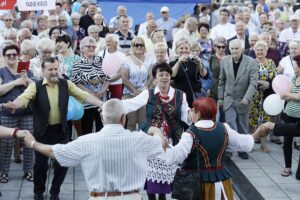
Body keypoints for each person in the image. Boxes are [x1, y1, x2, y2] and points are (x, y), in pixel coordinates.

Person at [21, 98, 165, 200]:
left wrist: (33, 143)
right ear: (123, 118)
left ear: (102, 118)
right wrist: (155, 130)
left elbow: (54, 151)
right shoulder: (140, 139)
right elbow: (161, 144)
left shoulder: (86, 141)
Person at [5, 57, 103, 200]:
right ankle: (38, 192)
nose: (53, 72)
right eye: (50, 69)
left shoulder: (66, 84)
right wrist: (15, 104)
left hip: (61, 131)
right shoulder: (35, 86)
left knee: (62, 165)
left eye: (56, 69)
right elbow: (24, 98)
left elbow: (85, 96)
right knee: (40, 166)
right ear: (43, 71)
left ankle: (54, 192)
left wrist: (102, 104)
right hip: (42, 132)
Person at [165, 97, 268, 200]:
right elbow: (242, 143)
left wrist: (161, 140)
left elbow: (175, 157)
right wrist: (257, 134)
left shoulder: (190, 134)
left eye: (192, 109)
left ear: (199, 114)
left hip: (197, 185)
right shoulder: (224, 128)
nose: (190, 111)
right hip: (221, 182)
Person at [121, 62, 192, 200]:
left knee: (167, 177)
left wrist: (193, 115)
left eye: (167, 74)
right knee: (151, 178)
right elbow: (130, 104)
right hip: (150, 141)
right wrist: (109, 106)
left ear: (170, 77)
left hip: (171, 142)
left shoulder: (180, 95)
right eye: (161, 75)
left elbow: (185, 116)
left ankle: (163, 198)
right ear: (155, 78)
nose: (164, 77)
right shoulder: (148, 94)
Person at [218, 39, 258, 160]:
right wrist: (220, 98)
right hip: (229, 99)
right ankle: (230, 149)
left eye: (237, 48)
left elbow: (253, 83)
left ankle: (242, 149)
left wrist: (247, 97)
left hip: (243, 99)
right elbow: (222, 81)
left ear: (242, 49)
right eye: (232, 48)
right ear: (229, 49)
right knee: (230, 124)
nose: (234, 51)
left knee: (243, 126)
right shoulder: (225, 61)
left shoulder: (251, 62)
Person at [0, 44, 34, 183]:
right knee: (7, 144)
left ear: (18, 55)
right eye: (9, 55)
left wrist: (26, 80)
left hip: (27, 112)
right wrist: (16, 82)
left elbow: (36, 87)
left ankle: (29, 171)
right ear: (4, 57)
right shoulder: (1, 71)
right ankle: (3, 172)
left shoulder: (26, 70)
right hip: (7, 113)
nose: (12, 57)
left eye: (14, 54)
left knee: (29, 143)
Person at [71, 37, 109, 136]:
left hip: (101, 100)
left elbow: (107, 78)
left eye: (93, 46)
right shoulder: (77, 62)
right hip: (86, 101)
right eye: (89, 46)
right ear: (82, 48)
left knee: (102, 130)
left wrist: (102, 91)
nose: (92, 48)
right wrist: (91, 94)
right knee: (86, 131)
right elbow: (76, 82)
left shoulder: (100, 60)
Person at [249, 41, 276, 152]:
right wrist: (260, 82)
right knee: (252, 120)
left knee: (265, 119)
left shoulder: (271, 62)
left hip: (266, 95)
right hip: (254, 94)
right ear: (255, 51)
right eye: (258, 50)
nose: (260, 52)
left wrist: (268, 84)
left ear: (266, 51)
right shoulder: (251, 62)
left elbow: (275, 76)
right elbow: (249, 77)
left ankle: (263, 145)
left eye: (262, 50)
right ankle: (250, 143)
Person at [276, 54, 300, 177]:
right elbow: (288, 93)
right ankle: (287, 167)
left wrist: (288, 95)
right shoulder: (294, 78)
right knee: (287, 142)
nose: (294, 66)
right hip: (288, 114)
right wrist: (288, 95)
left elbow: (298, 96)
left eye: (296, 64)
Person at [121, 37, 153, 131]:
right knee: (131, 122)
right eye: (136, 45)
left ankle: (142, 144)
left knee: (143, 122)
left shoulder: (150, 60)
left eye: (141, 45)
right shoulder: (127, 60)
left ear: (144, 46)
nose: (139, 47)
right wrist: (134, 91)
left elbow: (151, 77)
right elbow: (124, 78)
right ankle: (130, 144)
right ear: (133, 46)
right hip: (130, 94)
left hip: (144, 94)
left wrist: (145, 88)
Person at [169, 38, 207, 107]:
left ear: (189, 50)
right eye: (181, 48)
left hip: (194, 96)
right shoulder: (172, 63)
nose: (184, 50)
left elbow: (204, 74)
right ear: (176, 50)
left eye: (186, 48)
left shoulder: (194, 61)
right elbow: (171, 75)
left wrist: (199, 63)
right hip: (179, 96)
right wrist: (179, 62)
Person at [98, 34, 126, 99]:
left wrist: (108, 80)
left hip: (117, 84)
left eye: (109, 41)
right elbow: (98, 68)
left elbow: (121, 72)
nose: (107, 43)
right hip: (103, 84)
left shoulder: (122, 55)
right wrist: (103, 80)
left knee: (116, 104)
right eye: (106, 41)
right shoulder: (101, 53)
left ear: (115, 43)